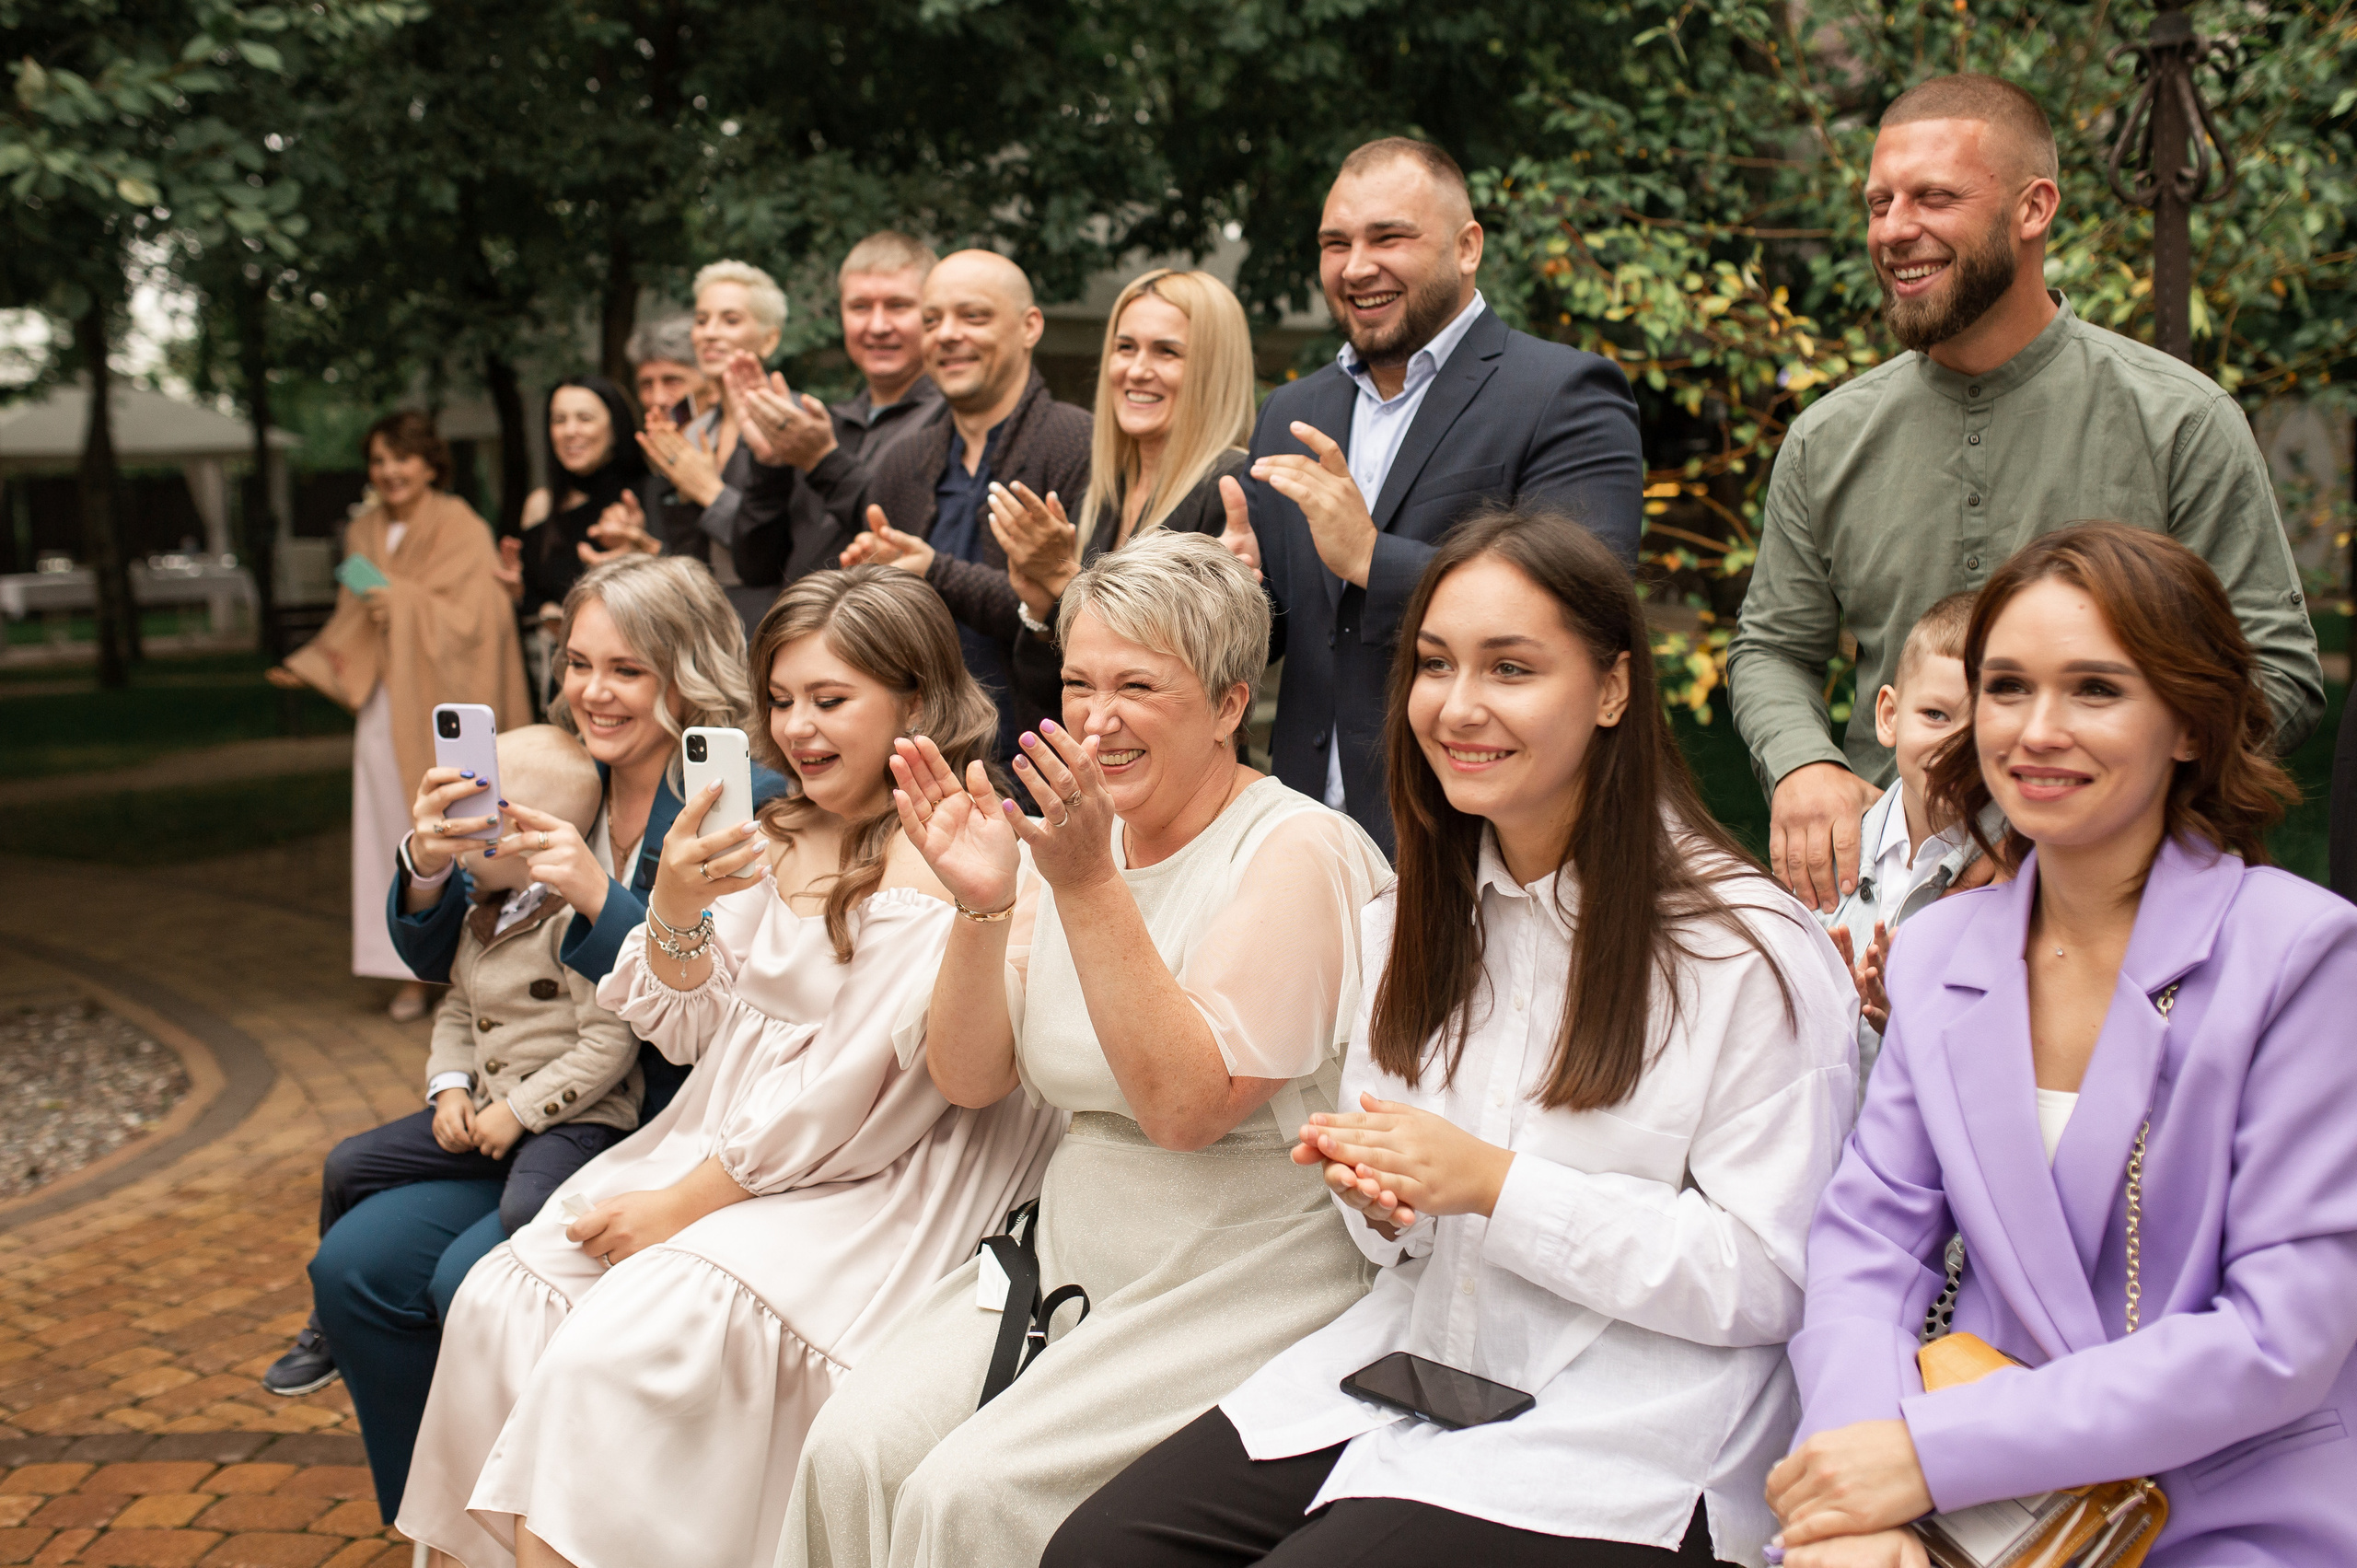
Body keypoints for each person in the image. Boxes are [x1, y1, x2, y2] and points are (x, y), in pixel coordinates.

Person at [1049, 509, 1857, 1568]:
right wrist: (1385, 1198)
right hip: (1418, 1357)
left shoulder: (1740, 949)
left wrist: (1494, 1183)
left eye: (1511, 668)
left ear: (1612, 689)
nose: (1460, 705)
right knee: (1099, 1551)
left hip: (1628, 1412)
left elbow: (1771, 1274)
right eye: (1434, 664)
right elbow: (1405, 1234)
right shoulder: (1416, 913)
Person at [396, 567, 1062, 1568]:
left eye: (830, 700)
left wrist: (687, 1200)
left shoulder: (943, 849)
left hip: (875, 1184)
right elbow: (691, 1024)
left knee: (614, 1349)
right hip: (738, 1138)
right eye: (782, 700)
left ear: (915, 701)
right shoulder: (780, 826)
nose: (796, 728)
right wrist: (669, 905)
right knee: (506, 1295)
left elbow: (860, 1094)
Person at [784, 532, 1393, 1568]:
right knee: (851, 1448)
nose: (1096, 718)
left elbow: (1186, 1106)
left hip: (1244, 1259)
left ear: (1231, 704)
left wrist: (1082, 884)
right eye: (1077, 682)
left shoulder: (1297, 850)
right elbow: (972, 1078)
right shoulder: (1075, 838)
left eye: (1137, 685)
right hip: (1072, 1242)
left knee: (967, 1495)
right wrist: (983, 906)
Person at [1771, 523, 2357, 1568]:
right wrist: (1860, 1488)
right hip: (1965, 1496)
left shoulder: (2299, 952)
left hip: (2218, 1504)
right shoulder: (1938, 951)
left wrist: (1930, 1451)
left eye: (2094, 688)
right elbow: (1867, 1247)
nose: (2036, 730)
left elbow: (2282, 1333)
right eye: (2006, 687)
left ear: (2188, 722)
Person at [1726, 74, 2325, 918]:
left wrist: (2095, 806)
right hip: (1880, 901)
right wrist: (1802, 762)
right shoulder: (1829, 438)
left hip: (2123, 895)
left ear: (2033, 208)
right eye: (1879, 202)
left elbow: (2277, 669)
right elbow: (1772, 649)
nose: (1895, 230)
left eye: (1933, 197)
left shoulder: (2180, 422)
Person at [306, 555, 786, 1518]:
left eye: (626, 669)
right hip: (518, 1109)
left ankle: (545, 1518)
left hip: (649, 1119)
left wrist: (596, 890)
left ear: (684, 673)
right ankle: (436, 1520)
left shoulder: (741, 795)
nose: (592, 693)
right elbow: (440, 956)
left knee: (457, 1275)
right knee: (350, 1265)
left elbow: (717, 1005)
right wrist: (432, 863)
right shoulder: (544, 774)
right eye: (576, 663)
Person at [1225, 136, 1644, 854]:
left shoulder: (1563, 393)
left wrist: (1371, 556)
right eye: (1336, 244)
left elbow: (1585, 604)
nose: (1357, 267)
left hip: (1475, 838)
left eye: (1389, 237)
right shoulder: (1292, 411)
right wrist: (1236, 594)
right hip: (1296, 839)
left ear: (1467, 246)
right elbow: (1291, 630)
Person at [263, 726, 640, 1398]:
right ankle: (329, 1325)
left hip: (578, 1118)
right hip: (488, 1108)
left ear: (520, 833)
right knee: (349, 1163)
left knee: (528, 1205)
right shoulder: (478, 913)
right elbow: (461, 1012)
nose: (457, 847)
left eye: (473, 830)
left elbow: (608, 1046)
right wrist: (450, 1091)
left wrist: (519, 1113)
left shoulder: (576, 916)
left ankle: (563, 1358)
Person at [270, 410, 531, 1022]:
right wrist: (315, 663)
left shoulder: (460, 524)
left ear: (429, 463)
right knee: (391, 827)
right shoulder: (361, 531)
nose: (389, 472)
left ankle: (471, 965)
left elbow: (481, 615)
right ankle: (406, 968)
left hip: (439, 700)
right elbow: (353, 619)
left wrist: (404, 604)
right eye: (379, 460)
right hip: (383, 701)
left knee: (455, 827)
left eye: (401, 458)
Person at [837, 249, 1093, 758]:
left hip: (1039, 763)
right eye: (932, 321)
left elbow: (1090, 624)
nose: (947, 334)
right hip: (913, 764)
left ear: (1030, 326)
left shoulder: (1077, 445)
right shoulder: (902, 461)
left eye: (973, 316)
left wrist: (934, 571)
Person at [989, 268, 1256, 732]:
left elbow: (1183, 687)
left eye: (1167, 352)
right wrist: (1038, 610)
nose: (1136, 370)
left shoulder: (1233, 488)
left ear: (1212, 369)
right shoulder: (1102, 487)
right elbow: (1047, 696)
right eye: (1125, 347)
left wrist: (1062, 579)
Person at [1818, 592, 1999, 1085]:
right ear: (1889, 716)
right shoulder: (1831, 852)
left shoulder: (2016, 877)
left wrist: (1914, 1023)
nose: (1953, 747)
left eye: (1981, 726)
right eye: (1935, 716)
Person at [512, 378, 648, 640]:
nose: (570, 430)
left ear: (615, 427)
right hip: (569, 670)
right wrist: (527, 598)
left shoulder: (645, 497)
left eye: (585, 418)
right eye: (559, 420)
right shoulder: (541, 506)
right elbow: (534, 598)